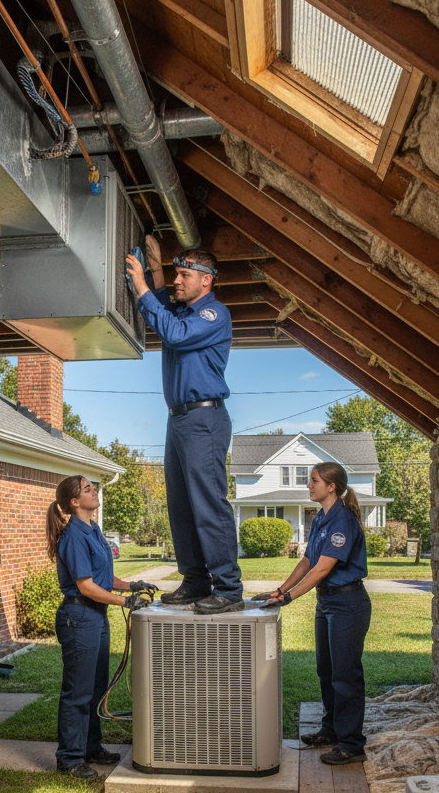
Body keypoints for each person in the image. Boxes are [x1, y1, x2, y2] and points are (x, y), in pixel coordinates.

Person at [125, 237, 243, 614]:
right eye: (176, 274)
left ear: (206, 280)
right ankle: (195, 581)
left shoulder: (213, 315)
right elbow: (161, 310)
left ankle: (228, 588)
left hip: (203, 419)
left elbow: (173, 333)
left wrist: (143, 284)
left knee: (208, 505)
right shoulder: (183, 314)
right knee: (181, 507)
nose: (178, 281)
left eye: (184, 274)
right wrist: (157, 270)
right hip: (178, 420)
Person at [256, 462, 370, 765]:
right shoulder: (321, 517)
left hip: (348, 604)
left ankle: (352, 744)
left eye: (314, 481)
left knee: (345, 675)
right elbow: (308, 560)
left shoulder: (343, 520)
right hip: (327, 603)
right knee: (327, 671)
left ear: (331, 486)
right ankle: (331, 730)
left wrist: (290, 597)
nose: (309, 485)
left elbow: (323, 568)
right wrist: (280, 590)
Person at [47, 475, 157, 779]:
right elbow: (86, 587)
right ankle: (69, 759)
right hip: (79, 618)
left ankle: (91, 747)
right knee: (77, 692)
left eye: (93, 488)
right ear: (74, 502)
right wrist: (125, 603)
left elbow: (102, 578)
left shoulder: (93, 529)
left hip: (95, 617)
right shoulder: (74, 536)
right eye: (87, 489)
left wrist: (131, 584)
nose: (94, 492)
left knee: (96, 688)